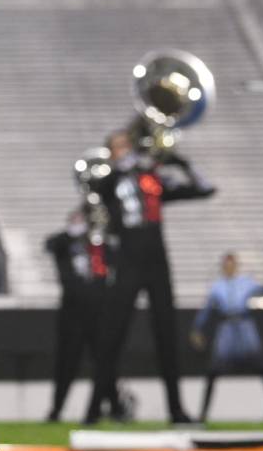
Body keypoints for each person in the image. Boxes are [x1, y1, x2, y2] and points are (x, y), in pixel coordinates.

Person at [85, 130, 215, 424]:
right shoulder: (110, 180)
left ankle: (177, 410)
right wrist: (127, 165)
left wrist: (180, 162)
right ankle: (92, 410)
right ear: (111, 152)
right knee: (111, 338)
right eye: (119, 146)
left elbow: (205, 189)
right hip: (128, 261)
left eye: (126, 144)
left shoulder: (152, 180)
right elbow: (98, 187)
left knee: (167, 334)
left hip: (157, 262)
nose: (126, 149)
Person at [45, 206, 116, 421]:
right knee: (66, 363)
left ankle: (115, 405)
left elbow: (111, 260)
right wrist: (73, 235)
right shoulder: (64, 243)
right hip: (72, 313)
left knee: (103, 361)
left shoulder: (97, 243)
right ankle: (56, 410)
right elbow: (51, 243)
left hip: (97, 311)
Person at [190, 253, 263, 422]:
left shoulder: (246, 282)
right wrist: (197, 329)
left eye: (232, 264)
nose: (229, 267)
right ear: (223, 266)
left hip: (244, 326)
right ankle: (203, 413)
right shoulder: (217, 286)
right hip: (227, 329)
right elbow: (206, 309)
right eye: (226, 264)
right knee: (213, 370)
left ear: (236, 265)